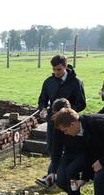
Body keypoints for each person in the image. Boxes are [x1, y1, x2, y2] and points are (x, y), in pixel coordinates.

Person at [37, 55, 86, 186]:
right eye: (54, 69)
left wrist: (64, 113)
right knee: (52, 147)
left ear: (65, 66)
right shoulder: (49, 81)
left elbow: (81, 104)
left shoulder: (76, 82)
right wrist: (42, 109)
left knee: (65, 149)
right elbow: (42, 99)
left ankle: (54, 176)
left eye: (59, 69)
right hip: (52, 121)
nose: (56, 72)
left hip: (69, 123)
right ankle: (53, 175)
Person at [46, 98, 86, 195]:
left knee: (71, 172)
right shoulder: (57, 127)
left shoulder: (77, 122)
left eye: (57, 114)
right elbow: (56, 149)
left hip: (82, 153)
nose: (54, 118)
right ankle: (71, 193)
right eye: (54, 114)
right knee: (61, 179)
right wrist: (53, 170)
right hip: (69, 153)